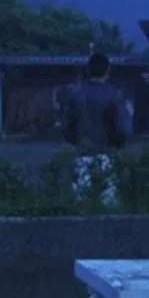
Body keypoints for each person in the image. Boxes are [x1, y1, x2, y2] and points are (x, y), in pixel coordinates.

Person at [61, 53, 128, 204]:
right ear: (108, 70)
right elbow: (121, 128)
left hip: (82, 154)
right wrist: (119, 145)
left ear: (87, 70)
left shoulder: (75, 94)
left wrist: (77, 141)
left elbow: (66, 128)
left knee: (81, 202)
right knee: (108, 202)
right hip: (107, 155)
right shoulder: (114, 95)